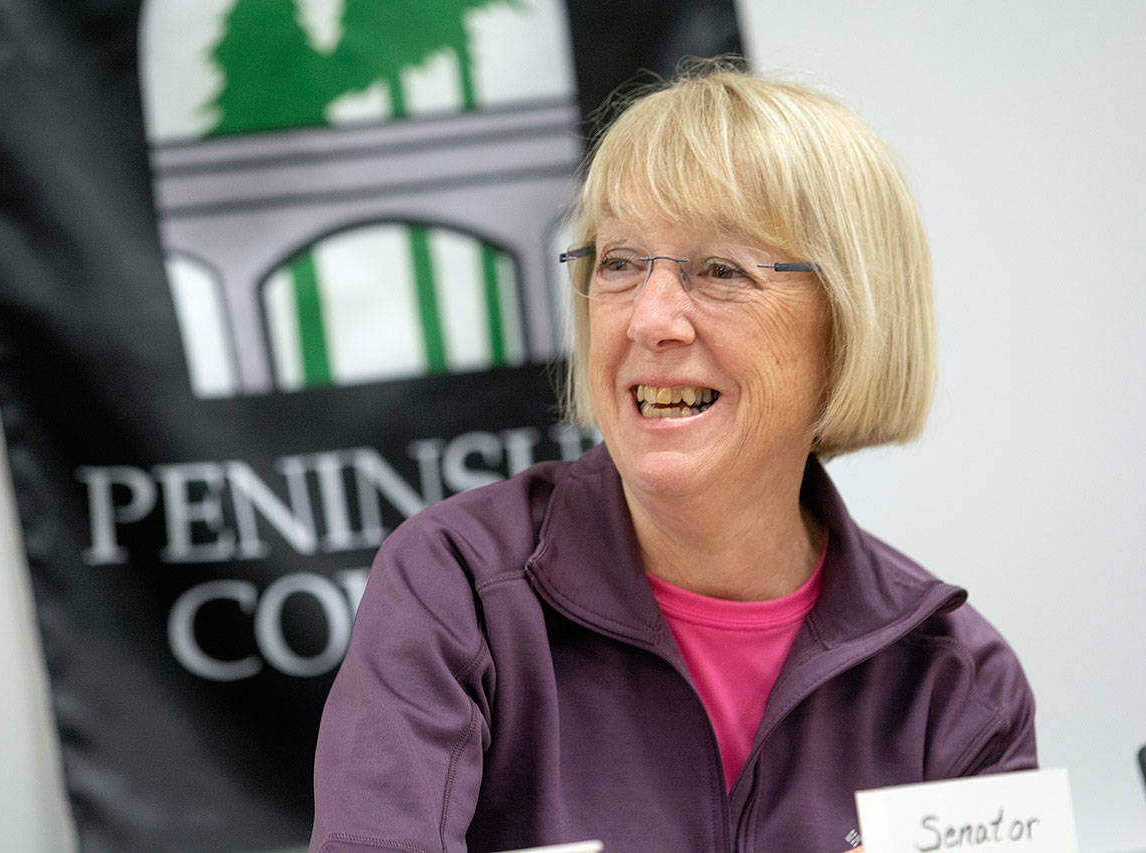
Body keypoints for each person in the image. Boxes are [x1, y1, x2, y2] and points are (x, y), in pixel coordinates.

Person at [310, 62, 1036, 853]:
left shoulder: (955, 682)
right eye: (619, 262)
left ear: (851, 320)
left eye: (720, 270)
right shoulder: (458, 588)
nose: (650, 319)